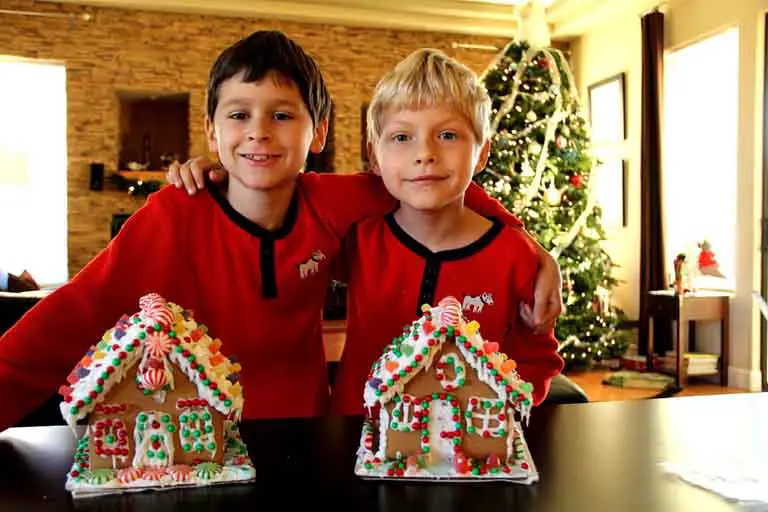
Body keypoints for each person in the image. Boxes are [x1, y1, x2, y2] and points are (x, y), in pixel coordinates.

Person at [0, 31, 560, 432]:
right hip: (200, 444)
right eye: (239, 116)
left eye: (283, 115)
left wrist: (529, 249)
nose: (259, 134)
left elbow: (431, 188)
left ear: (317, 134)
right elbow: (65, 319)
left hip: (311, 438)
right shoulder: (174, 214)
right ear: (212, 132)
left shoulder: (334, 203)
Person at [329, 49, 563, 414]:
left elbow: (536, 358)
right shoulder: (356, 239)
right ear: (375, 156)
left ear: (481, 153)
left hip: (472, 453)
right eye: (402, 137)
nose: (425, 153)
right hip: (359, 437)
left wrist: (505, 414)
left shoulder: (516, 256)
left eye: (448, 134)